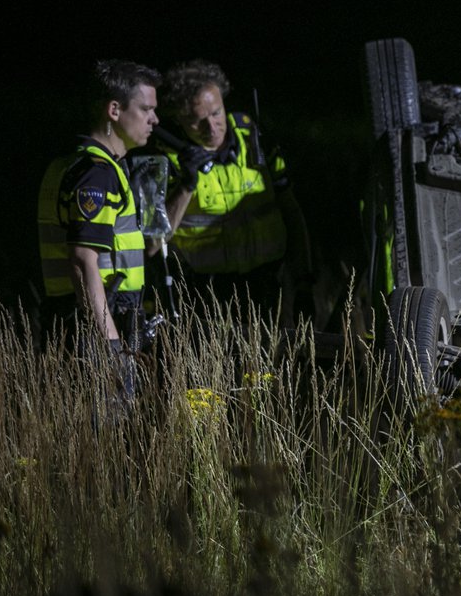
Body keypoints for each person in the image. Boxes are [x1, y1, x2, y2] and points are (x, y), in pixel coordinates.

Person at [36, 59, 162, 408]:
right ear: (115, 110)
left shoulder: (73, 164)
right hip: (93, 329)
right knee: (104, 441)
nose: (155, 120)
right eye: (147, 109)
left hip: (77, 321)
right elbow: (81, 260)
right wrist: (110, 346)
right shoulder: (97, 173)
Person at [157, 59, 312, 321]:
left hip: (268, 284)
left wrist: (305, 279)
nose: (211, 127)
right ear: (179, 119)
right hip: (205, 296)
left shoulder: (257, 142)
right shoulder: (168, 163)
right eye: (197, 121)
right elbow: (156, 239)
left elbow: (291, 211)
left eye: (216, 113)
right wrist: (186, 185)